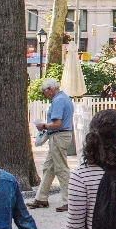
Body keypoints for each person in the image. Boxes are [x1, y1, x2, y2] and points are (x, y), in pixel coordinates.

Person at [30, 78, 74, 212]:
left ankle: (69, 201)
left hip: (59, 135)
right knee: (49, 168)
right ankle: (41, 198)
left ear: (50, 89)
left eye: (44, 92)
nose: (45, 95)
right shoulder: (64, 98)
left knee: (61, 169)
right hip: (62, 135)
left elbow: (57, 124)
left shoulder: (58, 101)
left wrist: (43, 125)